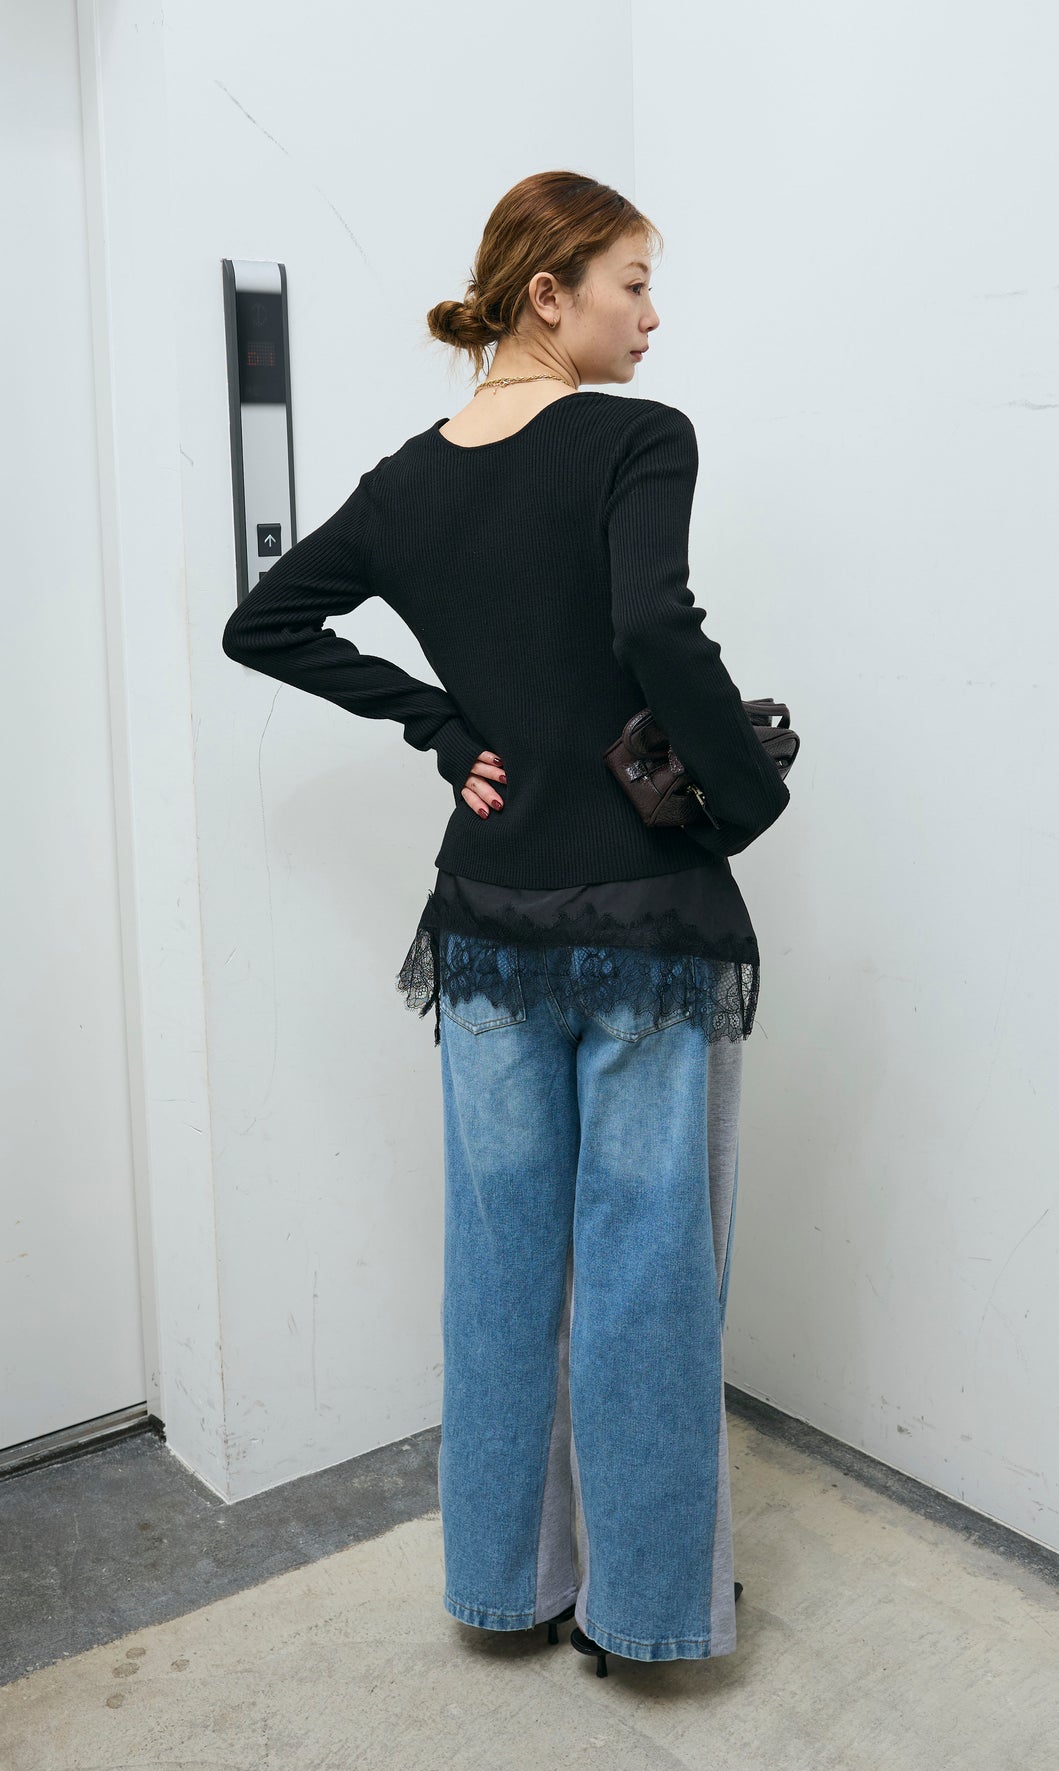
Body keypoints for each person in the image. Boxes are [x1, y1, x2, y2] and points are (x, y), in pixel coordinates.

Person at [221, 169, 791, 1670]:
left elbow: (261, 621)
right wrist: (745, 801)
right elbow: (654, 627)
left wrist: (439, 723)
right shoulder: (636, 438)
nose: (653, 319)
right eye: (633, 284)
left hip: (484, 922)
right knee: (647, 1268)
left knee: (498, 1263)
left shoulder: (408, 483)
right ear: (551, 293)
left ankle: (507, 1589)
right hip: (649, 926)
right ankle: (645, 1614)